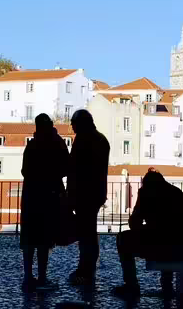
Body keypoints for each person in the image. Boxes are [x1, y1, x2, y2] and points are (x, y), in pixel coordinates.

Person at [113, 169, 183, 300]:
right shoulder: (176, 192)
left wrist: (144, 224)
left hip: (163, 244)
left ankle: (131, 284)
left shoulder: (146, 193)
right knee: (164, 237)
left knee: (123, 239)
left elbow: (135, 222)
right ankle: (166, 283)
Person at [20, 113, 70, 291]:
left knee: (29, 239)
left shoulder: (31, 146)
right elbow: (66, 168)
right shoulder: (57, 144)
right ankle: (42, 277)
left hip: (30, 196)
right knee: (44, 239)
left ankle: (27, 276)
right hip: (49, 196)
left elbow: (25, 171)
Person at [67, 109, 110, 286]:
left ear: (81, 123)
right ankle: (87, 267)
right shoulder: (101, 139)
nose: (72, 127)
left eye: (74, 123)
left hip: (84, 193)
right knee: (89, 232)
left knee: (86, 234)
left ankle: (85, 268)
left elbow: (74, 166)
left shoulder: (84, 140)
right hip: (96, 192)